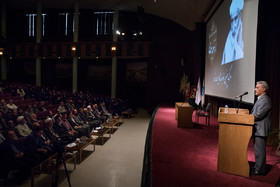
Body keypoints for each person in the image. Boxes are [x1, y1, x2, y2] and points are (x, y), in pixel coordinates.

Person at [251, 81, 272, 175]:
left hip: (261, 129)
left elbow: (258, 114)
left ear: (264, 89)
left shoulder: (265, 100)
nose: (255, 89)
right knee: (257, 150)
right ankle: (257, 167)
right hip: (258, 129)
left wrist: (248, 117)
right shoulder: (261, 99)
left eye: (257, 87)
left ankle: (259, 170)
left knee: (260, 150)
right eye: (256, 87)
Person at [221, 0, 244, 65]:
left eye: (236, 18)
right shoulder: (229, 39)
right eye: (232, 20)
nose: (234, 24)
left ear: (240, 16)